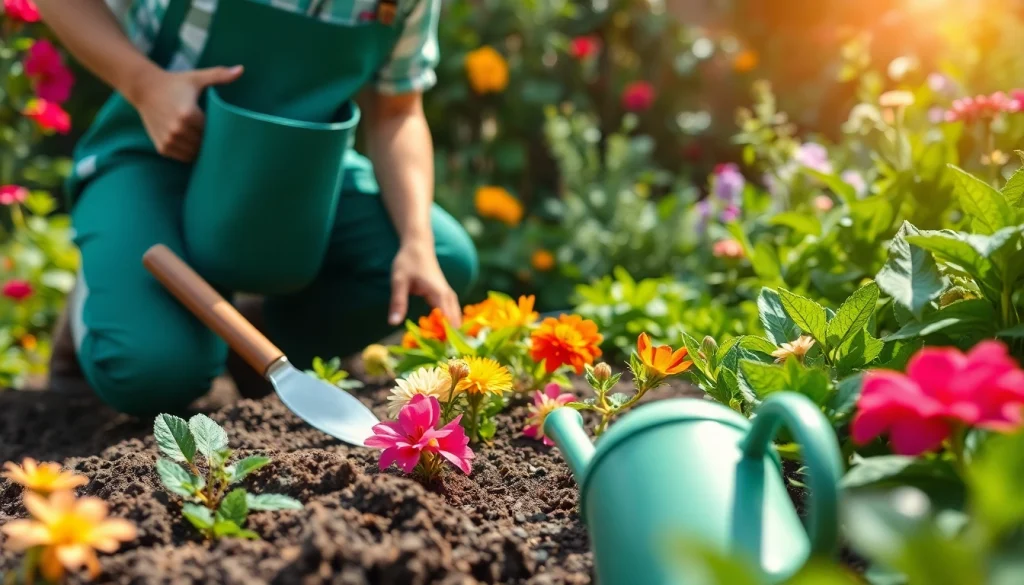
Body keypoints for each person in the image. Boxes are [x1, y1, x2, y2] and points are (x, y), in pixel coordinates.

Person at [35, 0, 477, 416]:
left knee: (441, 260)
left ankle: (253, 344)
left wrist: (416, 239)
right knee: (151, 372)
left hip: (304, 176)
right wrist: (146, 85)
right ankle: (98, 313)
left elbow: (397, 111)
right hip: (156, 157)